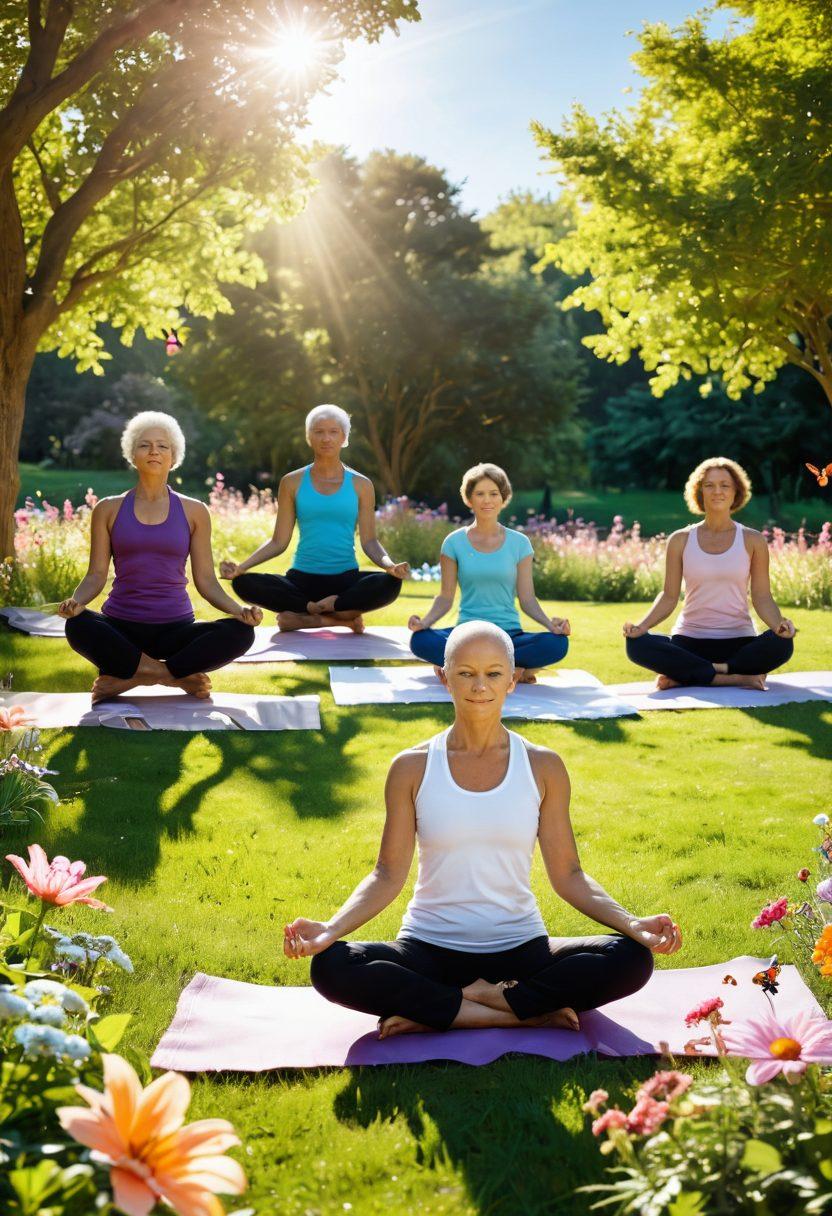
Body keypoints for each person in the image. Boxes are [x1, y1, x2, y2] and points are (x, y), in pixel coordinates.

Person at [284, 621, 681, 1039]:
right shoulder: (411, 767)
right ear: (444, 677)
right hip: (428, 948)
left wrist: (631, 922)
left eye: (493, 673)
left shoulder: (543, 767)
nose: (480, 686)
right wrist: (330, 930)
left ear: (512, 680)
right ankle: (516, 1010)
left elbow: (568, 876)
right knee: (330, 966)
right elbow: (387, 874)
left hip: (521, 948)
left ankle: (443, 1009)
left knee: (631, 958)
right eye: (466, 673)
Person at [59, 411, 261, 704]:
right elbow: (95, 575)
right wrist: (76, 602)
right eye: (145, 445)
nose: (154, 451)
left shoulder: (195, 511)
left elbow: (205, 580)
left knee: (242, 633)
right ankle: (173, 676)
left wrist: (238, 610)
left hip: (176, 629)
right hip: (120, 628)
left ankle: (134, 675)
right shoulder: (108, 509)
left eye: (162, 446)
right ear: (132, 453)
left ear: (173, 455)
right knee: (77, 625)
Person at [221, 405, 408, 633]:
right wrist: (241, 568)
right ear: (309, 437)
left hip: (345, 582)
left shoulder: (362, 485)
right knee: (244, 583)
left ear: (344, 437)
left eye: (333, 432)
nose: (326, 438)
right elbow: (279, 541)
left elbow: (369, 541)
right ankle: (336, 616)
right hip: (301, 581)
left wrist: (391, 567)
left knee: (389, 585)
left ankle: (311, 616)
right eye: (319, 432)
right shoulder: (292, 482)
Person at [623, 458, 796, 689]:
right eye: (709, 485)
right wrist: (641, 628)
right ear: (699, 491)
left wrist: (779, 627)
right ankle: (734, 676)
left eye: (725, 485)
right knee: (636, 646)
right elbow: (668, 596)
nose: (717, 491)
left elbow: (762, 597)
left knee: (783, 644)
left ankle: (692, 674)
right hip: (689, 641)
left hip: (739, 640)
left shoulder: (753, 540)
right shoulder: (680, 540)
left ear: (736, 492)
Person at [409, 463, 570, 683]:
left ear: (503, 498)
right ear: (469, 499)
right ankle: (508, 669)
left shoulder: (519, 543)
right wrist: (424, 623)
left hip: (509, 636)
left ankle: (464, 667)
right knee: (420, 641)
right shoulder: (453, 543)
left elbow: (527, 599)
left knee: (557, 644)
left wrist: (552, 626)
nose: (487, 500)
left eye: (494, 494)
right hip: (466, 634)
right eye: (480, 494)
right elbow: (446, 598)